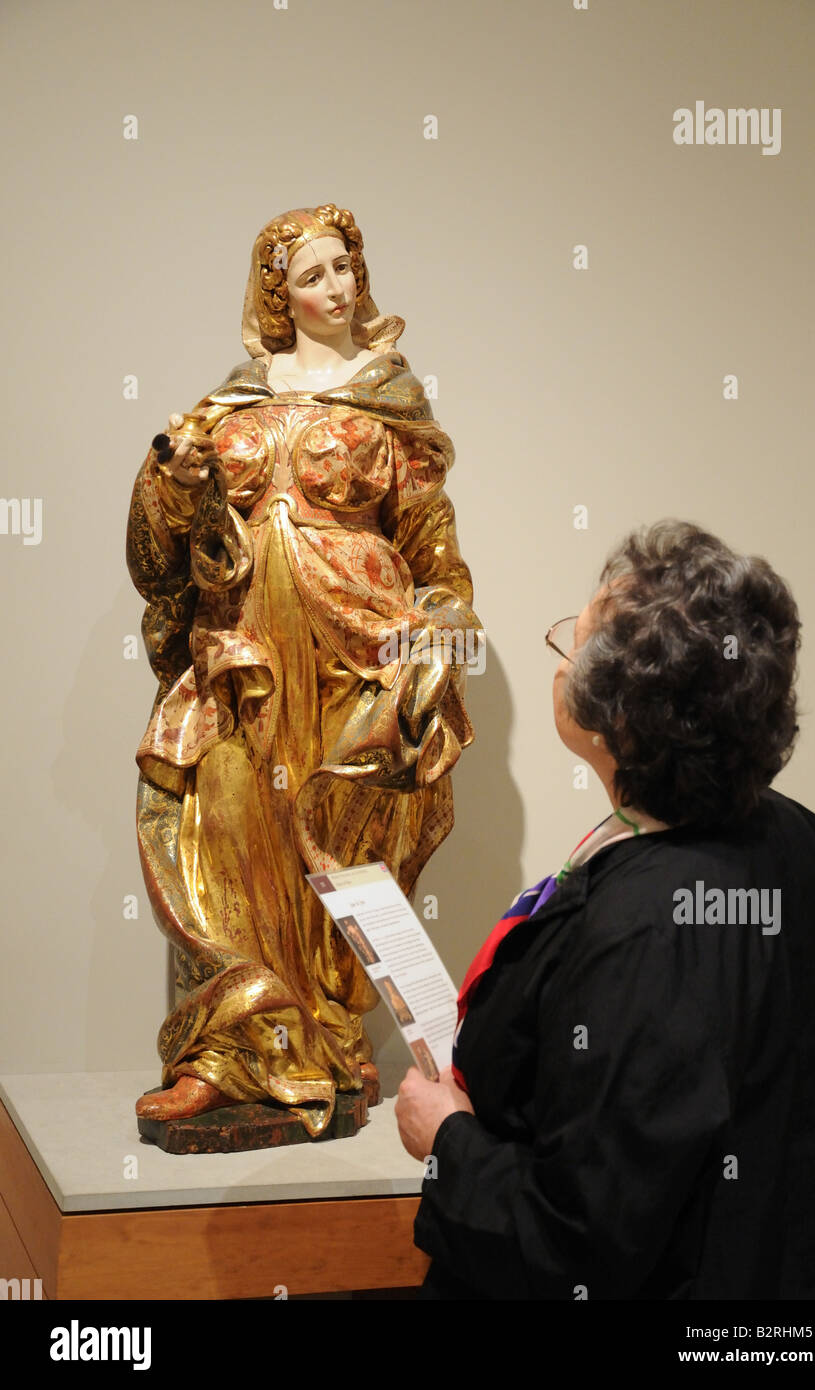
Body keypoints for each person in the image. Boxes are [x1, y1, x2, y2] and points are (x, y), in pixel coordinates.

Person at [395, 520, 815, 1299]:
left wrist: (447, 1139)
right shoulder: (809, 840)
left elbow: (585, 1239)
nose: (558, 665)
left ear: (617, 719)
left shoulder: (652, 929)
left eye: (569, 646)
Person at [127, 204, 480, 1135]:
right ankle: (220, 1053)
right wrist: (174, 476)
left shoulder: (388, 397)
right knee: (222, 831)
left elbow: (433, 554)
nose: (336, 289)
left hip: (352, 646)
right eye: (312, 275)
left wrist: (441, 630)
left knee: (333, 840)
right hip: (240, 649)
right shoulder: (230, 403)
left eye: (345, 269)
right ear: (275, 292)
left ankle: (327, 1032)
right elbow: (163, 551)